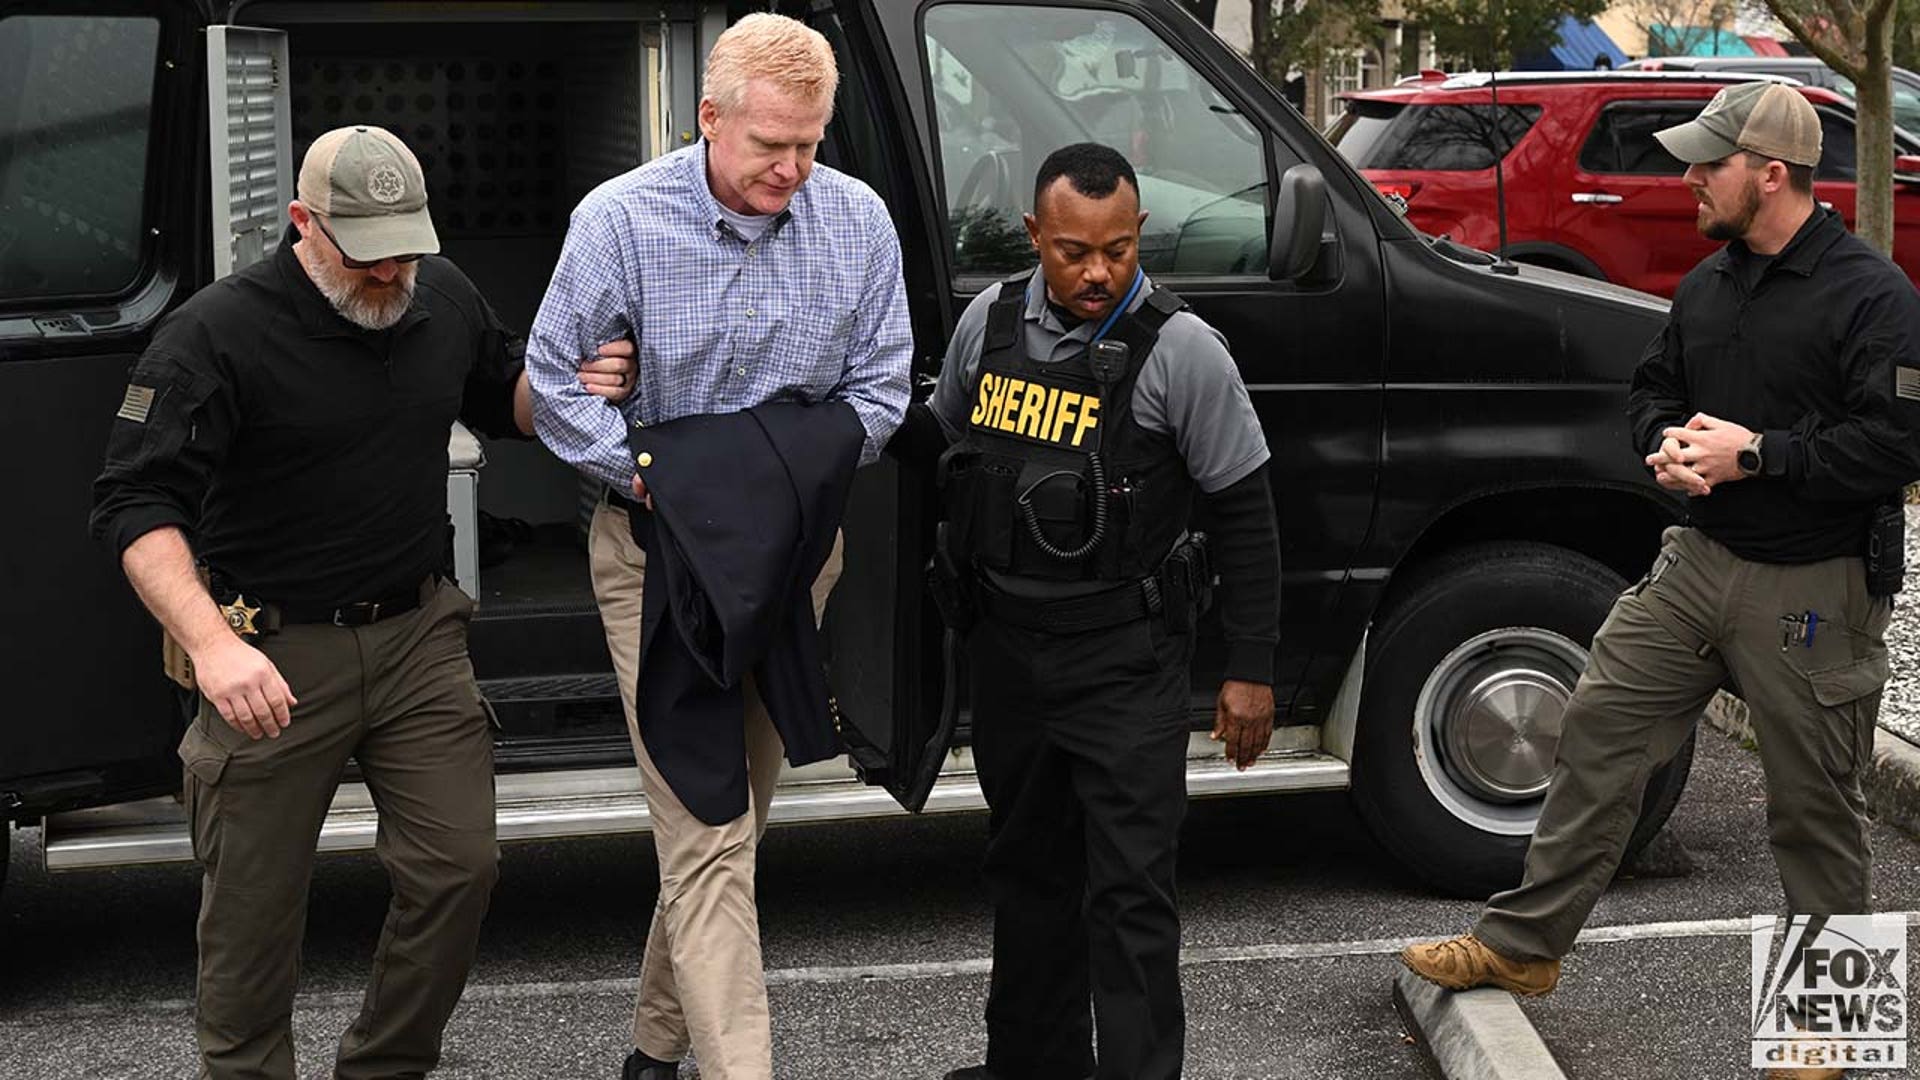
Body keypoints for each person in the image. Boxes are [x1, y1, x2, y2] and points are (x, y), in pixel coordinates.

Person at [89, 124, 634, 1080]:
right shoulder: (215, 334)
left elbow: (501, 391)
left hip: (418, 634)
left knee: (459, 870)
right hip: (269, 650)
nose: (392, 276)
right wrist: (213, 646)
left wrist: (569, 390)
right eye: (368, 256)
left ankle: (385, 1066)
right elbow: (134, 504)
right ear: (305, 225)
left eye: (407, 252)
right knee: (254, 915)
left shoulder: (443, 291)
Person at [1400, 81, 1920, 1080]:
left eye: (1707, 163)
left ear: (1771, 174)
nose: (1686, 178)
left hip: (1815, 584)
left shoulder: (1874, 298)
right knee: (1595, 724)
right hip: (1697, 562)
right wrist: (1669, 449)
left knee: (1813, 804)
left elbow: (1898, 446)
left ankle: (1830, 1031)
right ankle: (1523, 946)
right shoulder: (1709, 285)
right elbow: (1653, 393)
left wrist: (1760, 456)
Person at [522, 13, 911, 1080]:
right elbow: (555, 389)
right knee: (706, 828)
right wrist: (672, 480)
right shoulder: (620, 221)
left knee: (736, 821)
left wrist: (742, 468)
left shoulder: (859, 222)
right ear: (709, 118)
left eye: (810, 144)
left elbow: (880, 394)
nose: (791, 168)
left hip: (794, 562)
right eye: (768, 145)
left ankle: (652, 1053)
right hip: (657, 563)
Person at [896, 142, 1281, 1080]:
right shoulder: (987, 325)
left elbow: (1247, 514)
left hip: (1126, 662)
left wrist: (1251, 670)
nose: (1099, 271)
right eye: (1073, 251)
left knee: (1130, 894)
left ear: (1139, 232)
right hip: (1012, 659)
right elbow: (937, 452)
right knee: (1027, 876)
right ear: (1034, 235)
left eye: (1117, 248)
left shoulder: (1181, 350)